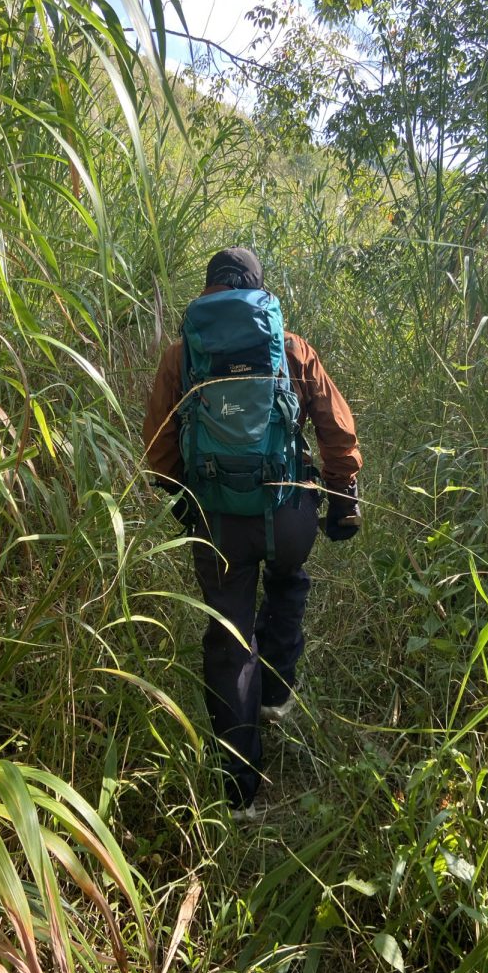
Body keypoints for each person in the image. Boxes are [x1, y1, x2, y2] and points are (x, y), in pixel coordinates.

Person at [143, 247, 362, 817]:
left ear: (210, 287)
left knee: (230, 642)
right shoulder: (289, 346)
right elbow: (337, 430)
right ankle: (277, 693)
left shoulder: (181, 353)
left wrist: (185, 500)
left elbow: (158, 452)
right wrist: (341, 497)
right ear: (257, 289)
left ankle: (239, 794)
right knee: (290, 578)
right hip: (288, 515)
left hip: (218, 521)